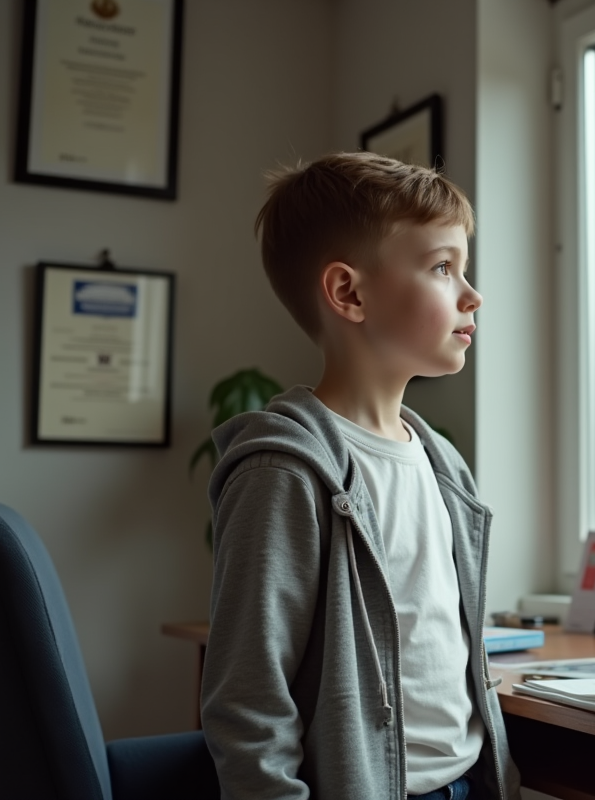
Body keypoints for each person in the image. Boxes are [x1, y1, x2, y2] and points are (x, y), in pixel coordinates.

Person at [200, 152, 521, 800]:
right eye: (441, 267)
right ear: (349, 293)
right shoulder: (284, 472)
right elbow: (248, 703)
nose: (472, 293)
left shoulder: (443, 464)